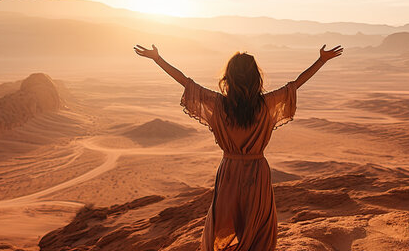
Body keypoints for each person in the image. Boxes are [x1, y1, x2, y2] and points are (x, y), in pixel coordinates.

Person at [134, 44, 343, 251]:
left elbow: (186, 82)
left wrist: (158, 59)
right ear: (256, 78)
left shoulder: (217, 104)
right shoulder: (266, 104)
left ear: (229, 78)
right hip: (257, 171)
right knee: (257, 221)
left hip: (230, 171)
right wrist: (321, 60)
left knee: (226, 219)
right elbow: (295, 85)